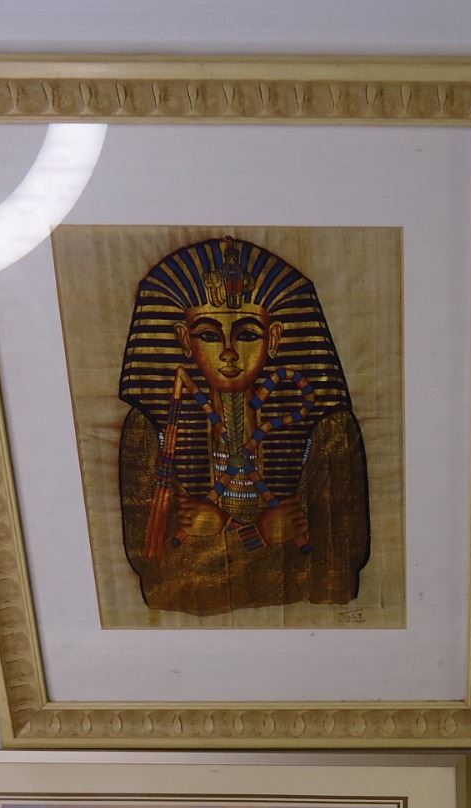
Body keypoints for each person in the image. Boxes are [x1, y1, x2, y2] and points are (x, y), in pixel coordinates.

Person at [117, 236, 368, 617]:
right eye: (208, 335)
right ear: (184, 340)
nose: (229, 353)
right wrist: (257, 536)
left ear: (275, 339)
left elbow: (341, 564)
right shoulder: (149, 430)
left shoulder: (328, 430)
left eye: (248, 334)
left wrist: (225, 536)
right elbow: (153, 572)